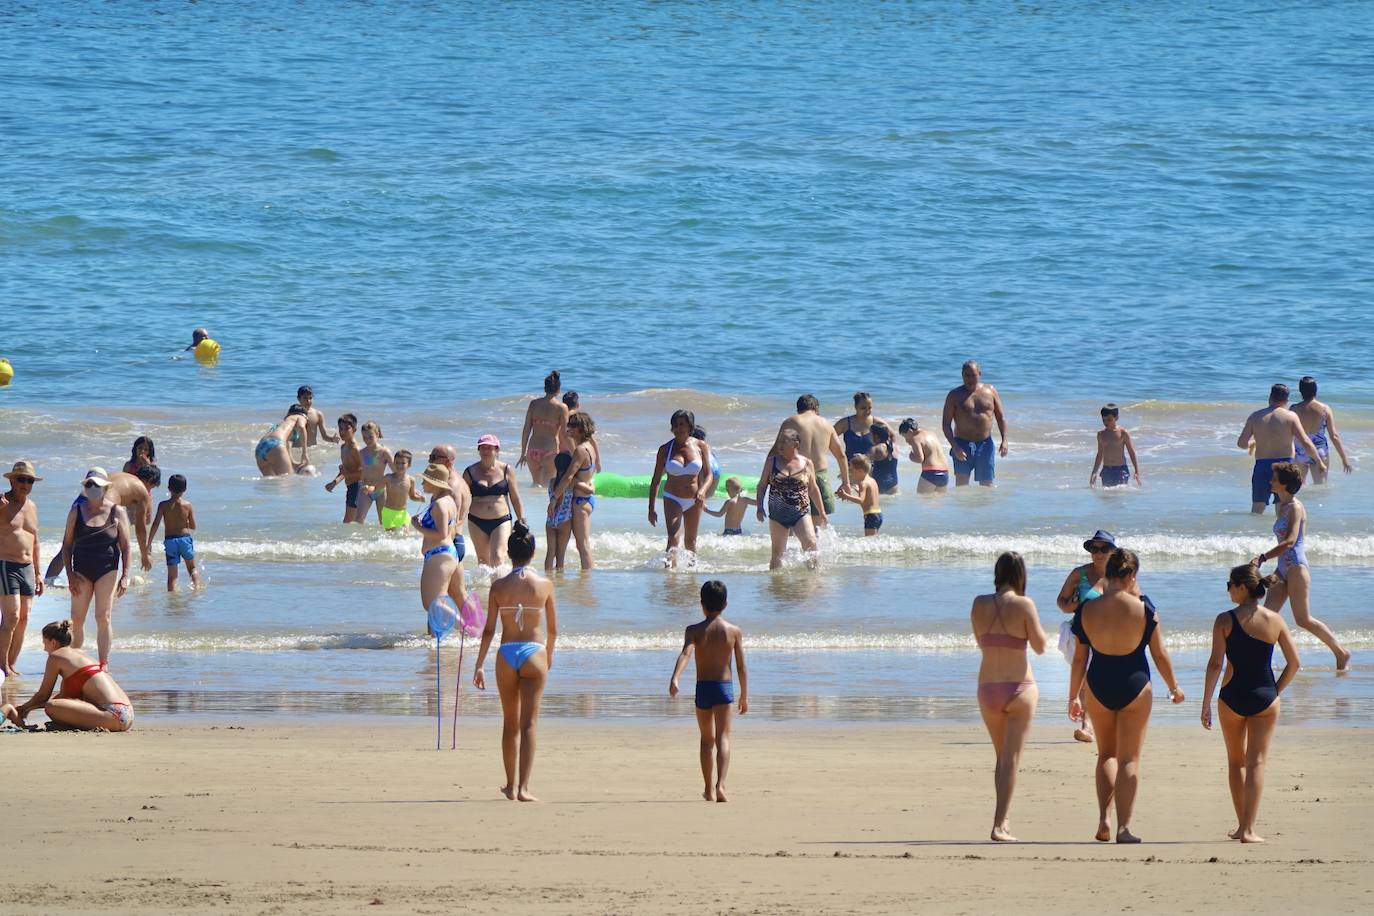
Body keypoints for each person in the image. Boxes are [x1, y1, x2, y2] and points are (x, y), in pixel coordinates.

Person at [1068, 548, 1185, 843]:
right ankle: (1124, 828)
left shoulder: (1087, 609)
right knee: (1129, 759)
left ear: (1108, 573)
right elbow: (1159, 653)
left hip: (1098, 683)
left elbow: (1080, 659)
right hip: (1135, 685)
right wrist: (1174, 687)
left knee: (1106, 754)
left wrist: (1074, 696)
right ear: (1132, 575)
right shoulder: (1144, 608)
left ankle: (1104, 819)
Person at [1201, 564, 1301, 843]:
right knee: (1256, 763)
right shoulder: (1275, 620)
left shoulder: (1224, 619)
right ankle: (1248, 829)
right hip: (1265, 699)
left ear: (1242, 587)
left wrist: (1206, 703)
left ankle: (1240, 826)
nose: (1227, 589)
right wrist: (1275, 691)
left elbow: (1214, 664)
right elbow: (1294, 663)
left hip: (1231, 697)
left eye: (1229, 584)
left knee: (1236, 763)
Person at [473, 521, 557, 801]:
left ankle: (510, 785)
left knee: (510, 723)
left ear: (509, 554)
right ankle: (524, 788)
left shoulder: (498, 587)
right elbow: (554, 629)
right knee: (529, 723)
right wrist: (550, 655)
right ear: (533, 553)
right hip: (535, 652)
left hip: (507, 653)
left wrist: (479, 664)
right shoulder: (545, 584)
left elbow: (489, 630)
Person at [971, 552, 1048, 841]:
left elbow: (981, 641)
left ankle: (1003, 819)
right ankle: (999, 823)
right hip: (1019, 687)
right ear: (1020, 576)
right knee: (1011, 759)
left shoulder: (979, 604)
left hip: (988, 687)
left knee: (1002, 758)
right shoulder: (1024, 604)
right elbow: (1040, 646)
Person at [1253, 461, 1350, 669]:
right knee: (1265, 616)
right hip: (1282, 569)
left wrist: (1262, 557)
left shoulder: (1295, 508)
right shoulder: (1281, 506)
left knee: (1303, 619)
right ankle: (1260, 661)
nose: (1270, 481)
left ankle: (1341, 652)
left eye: (1275, 479)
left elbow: (1289, 542)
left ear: (1285, 484)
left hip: (1296, 568)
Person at [669, 580, 748, 802]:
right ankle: (721, 785)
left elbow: (685, 654)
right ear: (726, 603)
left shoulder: (693, 630)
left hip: (703, 688)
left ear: (701, 604)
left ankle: (708, 789)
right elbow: (741, 667)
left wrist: (675, 677)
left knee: (706, 739)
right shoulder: (734, 631)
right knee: (724, 737)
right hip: (724, 689)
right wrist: (744, 695)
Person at [2, 620, 133, 731]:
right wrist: (28, 709)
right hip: (127, 713)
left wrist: (22, 709)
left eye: (44, 643)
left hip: (114, 716)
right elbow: (63, 698)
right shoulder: (80, 654)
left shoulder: (56, 656)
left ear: (53, 642)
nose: (44, 649)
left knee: (51, 707)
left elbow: (43, 696)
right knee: (56, 702)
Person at [59, 469, 132, 670]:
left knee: (103, 616)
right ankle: (74, 661)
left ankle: (103, 663)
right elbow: (66, 545)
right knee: (77, 618)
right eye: (88, 485)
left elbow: (126, 547)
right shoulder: (76, 511)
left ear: (105, 487)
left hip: (107, 569)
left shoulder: (117, 511)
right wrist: (70, 575)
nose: (92, 488)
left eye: (96, 485)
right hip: (81, 570)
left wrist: (125, 575)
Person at [1055, 530, 1119, 744]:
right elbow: (1061, 602)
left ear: (1112, 551)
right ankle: (1087, 726)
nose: (1098, 553)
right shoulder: (1079, 574)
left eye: (1104, 549)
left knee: (1100, 682)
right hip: (1080, 634)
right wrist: (1072, 604)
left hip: (1108, 637)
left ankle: (1098, 723)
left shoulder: (1119, 577)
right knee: (1086, 681)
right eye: (1094, 549)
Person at [1238, 384, 1324, 513]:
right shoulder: (1290, 416)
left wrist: (1254, 442)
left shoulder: (1255, 416)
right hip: (1285, 467)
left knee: (1257, 508)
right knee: (1283, 507)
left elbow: (1242, 443)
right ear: (1287, 400)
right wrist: (1319, 461)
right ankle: (1282, 532)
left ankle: (1254, 533)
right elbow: (1305, 441)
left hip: (1262, 466)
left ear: (1270, 397)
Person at [648, 410, 714, 568]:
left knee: (691, 541)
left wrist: (703, 490)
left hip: (694, 499)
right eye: (675, 425)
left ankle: (692, 575)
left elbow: (709, 474)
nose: (678, 428)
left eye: (682, 425)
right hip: (673, 497)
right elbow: (656, 479)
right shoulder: (665, 449)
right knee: (673, 537)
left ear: (690, 427)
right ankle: (670, 574)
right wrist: (651, 508)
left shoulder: (701, 446)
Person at [770, 395, 850, 524]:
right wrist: (846, 482)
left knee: (792, 523)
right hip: (820, 476)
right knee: (818, 526)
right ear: (816, 408)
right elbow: (840, 455)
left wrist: (768, 477)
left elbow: (776, 451)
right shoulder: (826, 424)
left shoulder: (790, 422)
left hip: (796, 475)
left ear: (798, 409)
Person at [755, 429, 826, 570]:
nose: (779, 445)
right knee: (777, 553)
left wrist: (822, 511)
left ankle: (814, 579)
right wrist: (759, 507)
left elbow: (813, 489)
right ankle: (777, 584)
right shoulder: (772, 462)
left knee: (811, 543)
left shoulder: (807, 463)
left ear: (796, 444)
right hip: (777, 514)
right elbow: (762, 486)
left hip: (801, 512)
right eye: (779, 441)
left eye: (784, 441)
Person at [0, 461, 43, 677]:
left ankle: (11, 663)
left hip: (27, 567)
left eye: (30, 480)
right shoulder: (2, 502)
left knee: (25, 618)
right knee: (12, 616)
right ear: (11, 480)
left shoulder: (32, 507)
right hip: (6, 564)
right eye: (21, 479)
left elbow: (35, 540)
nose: (25, 484)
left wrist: (38, 572)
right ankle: (2, 666)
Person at [412, 462, 466, 627]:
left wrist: (417, 526)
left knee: (432, 604)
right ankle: (437, 640)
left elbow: (441, 534)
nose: (422, 483)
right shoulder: (446, 500)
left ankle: (467, 629)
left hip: (440, 554)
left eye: (425, 481)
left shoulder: (440, 504)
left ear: (434, 483)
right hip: (446, 554)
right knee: (436, 605)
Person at [942, 361, 1009, 487]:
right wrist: (955, 447)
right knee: (961, 487)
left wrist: (1004, 440)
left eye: (973, 375)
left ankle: (985, 507)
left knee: (987, 485)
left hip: (985, 445)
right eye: (966, 375)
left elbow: (1001, 417)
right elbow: (946, 424)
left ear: (979, 374)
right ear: (962, 375)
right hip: (962, 444)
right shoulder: (954, 395)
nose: (970, 379)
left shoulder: (991, 391)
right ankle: (963, 507)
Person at [463, 435, 525, 568]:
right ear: (478, 450)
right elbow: (462, 498)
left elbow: (515, 497)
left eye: (489, 448)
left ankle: (500, 587)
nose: (485, 451)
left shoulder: (506, 470)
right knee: (483, 562)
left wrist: (521, 519)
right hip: (476, 521)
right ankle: (485, 589)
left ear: (496, 450)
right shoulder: (470, 472)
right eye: (483, 447)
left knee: (498, 556)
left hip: (501, 520)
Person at [547, 413, 597, 571]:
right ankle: (587, 580)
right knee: (583, 544)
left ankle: (587, 583)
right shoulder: (590, 447)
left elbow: (568, 476)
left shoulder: (580, 450)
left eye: (573, 425)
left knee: (582, 545)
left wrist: (554, 498)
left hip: (580, 503)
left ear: (581, 429)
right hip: (586, 499)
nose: (569, 428)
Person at [1292, 376, 1353, 484]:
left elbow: (1288, 433)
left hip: (1300, 452)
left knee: (1298, 488)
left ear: (1301, 390)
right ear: (1316, 389)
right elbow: (1334, 436)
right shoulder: (1325, 409)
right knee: (1320, 487)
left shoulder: (1294, 409)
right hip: (1320, 451)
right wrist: (1344, 459)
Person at [518, 371, 570, 487]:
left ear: (544, 388)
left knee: (536, 485)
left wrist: (523, 453)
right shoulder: (561, 408)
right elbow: (565, 434)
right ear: (558, 389)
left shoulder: (534, 404)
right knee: (547, 487)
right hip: (550, 452)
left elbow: (526, 430)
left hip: (532, 451)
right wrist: (572, 451)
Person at [149, 473, 199, 591]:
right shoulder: (188, 505)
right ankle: (196, 589)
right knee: (192, 568)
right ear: (185, 489)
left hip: (170, 541)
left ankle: (172, 598)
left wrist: (149, 542)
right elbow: (193, 526)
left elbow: (155, 523)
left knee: (172, 575)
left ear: (169, 488)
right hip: (184, 539)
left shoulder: (163, 505)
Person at [426, 445, 470, 560]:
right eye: (430, 456)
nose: (429, 460)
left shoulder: (451, 487)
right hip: (452, 543)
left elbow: (451, 523)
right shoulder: (451, 480)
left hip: (449, 544)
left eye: (434, 457)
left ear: (448, 461)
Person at [324, 414, 364, 524]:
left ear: (354, 430)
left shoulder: (355, 449)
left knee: (349, 522)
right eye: (341, 429)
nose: (343, 432)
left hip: (358, 487)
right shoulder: (343, 447)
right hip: (350, 487)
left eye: (347, 428)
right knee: (353, 522)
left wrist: (348, 474)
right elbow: (345, 471)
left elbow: (364, 472)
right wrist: (334, 483)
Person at [835, 392, 898, 462]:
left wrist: (887, 453)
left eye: (869, 408)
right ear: (855, 406)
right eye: (863, 408)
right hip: (851, 468)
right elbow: (829, 437)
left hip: (873, 469)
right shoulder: (845, 423)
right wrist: (839, 455)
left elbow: (892, 436)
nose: (867, 411)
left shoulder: (876, 422)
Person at [1090, 404, 1142, 488]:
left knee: (1119, 494)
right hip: (1106, 470)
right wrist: (1094, 472)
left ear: (1117, 418)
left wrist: (1136, 470)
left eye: (1109, 419)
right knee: (1107, 496)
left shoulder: (1123, 433)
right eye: (1103, 420)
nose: (1106, 422)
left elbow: (1131, 452)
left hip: (1121, 469)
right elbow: (1099, 454)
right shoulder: (1101, 434)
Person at [254, 405, 312, 477]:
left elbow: (286, 445)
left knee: (271, 485)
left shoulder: (282, 424)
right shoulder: (300, 416)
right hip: (275, 444)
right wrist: (304, 453)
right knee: (286, 481)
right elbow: (301, 427)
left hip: (260, 447)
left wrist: (292, 462)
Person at [899, 418, 950, 493]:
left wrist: (911, 456)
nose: (906, 441)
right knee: (938, 502)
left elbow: (920, 458)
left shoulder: (915, 438)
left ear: (910, 431)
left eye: (905, 437)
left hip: (931, 473)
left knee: (923, 500)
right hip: (944, 472)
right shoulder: (932, 433)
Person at [380, 450, 425, 531]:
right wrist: (369, 489)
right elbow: (376, 488)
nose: (399, 465)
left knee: (405, 536)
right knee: (391, 537)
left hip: (403, 513)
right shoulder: (388, 478)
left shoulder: (411, 480)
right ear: (394, 463)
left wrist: (420, 498)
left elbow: (412, 496)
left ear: (409, 465)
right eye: (397, 462)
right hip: (389, 512)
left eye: (403, 463)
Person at [838, 455, 882, 536]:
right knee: (874, 539)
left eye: (852, 470)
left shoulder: (863, 483)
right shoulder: (872, 480)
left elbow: (861, 500)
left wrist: (846, 495)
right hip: (878, 513)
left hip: (870, 515)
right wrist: (858, 490)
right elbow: (870, 496)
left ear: (860, 471)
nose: (850, 473)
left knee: (870, 540)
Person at [292, 386, 340, 451]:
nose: (308, 401)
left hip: (312, 450)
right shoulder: (293, 413)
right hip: (296, 450)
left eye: (310, 398)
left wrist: (332, 439)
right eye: (305, 398)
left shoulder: (318, 414)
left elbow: (324, 436)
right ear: (298, 399)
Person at [868, 426, 901, 495]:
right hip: (894, 484)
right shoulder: (895, 447)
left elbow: (866, 467)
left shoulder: (875, 449)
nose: (869, 437)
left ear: (876, 436)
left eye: (870, 434)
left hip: (879, 484)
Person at [693, 426, 722, 497]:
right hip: (716, 470)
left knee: (699, 498)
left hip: (706, 471)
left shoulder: (695, 446)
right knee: (707, 497)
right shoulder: (706, 446)